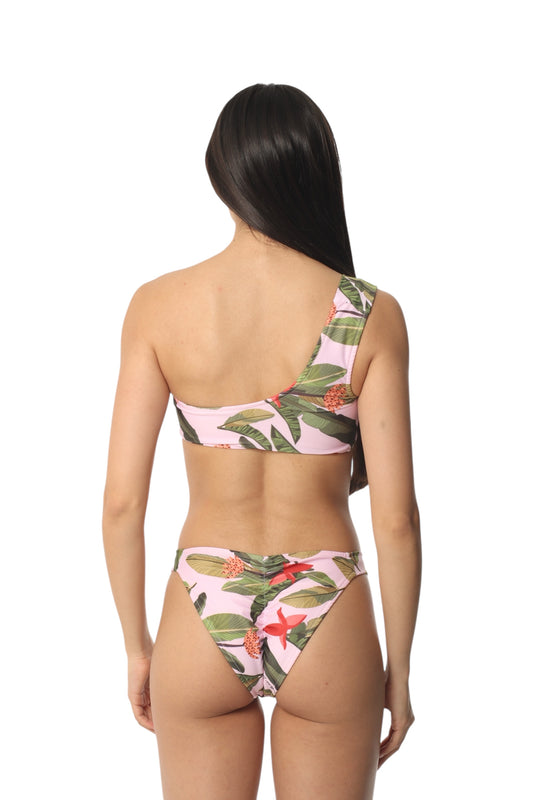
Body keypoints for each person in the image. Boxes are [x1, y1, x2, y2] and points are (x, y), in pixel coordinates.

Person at [102, 83, 422, 800]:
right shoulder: (369, 313)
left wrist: (137, 648)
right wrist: (397, 670)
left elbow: (122, 505)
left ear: (222, 173)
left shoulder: (157, 306)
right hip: (326, 603)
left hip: (202, 599)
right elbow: (396, 518)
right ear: (316, 173)